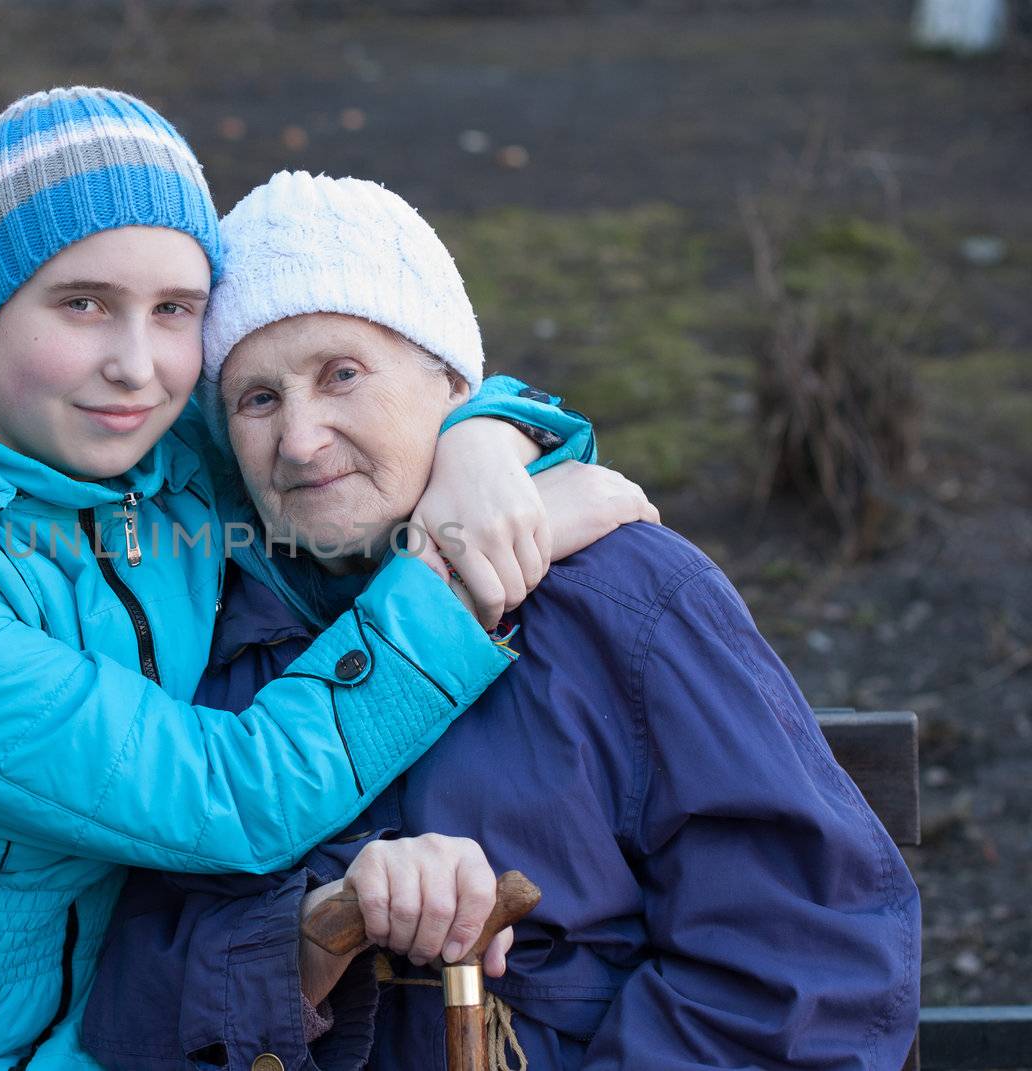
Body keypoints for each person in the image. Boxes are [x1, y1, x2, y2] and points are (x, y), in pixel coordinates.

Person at [0, 90, 617, 1071]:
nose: (137, 367)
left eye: (175, 311)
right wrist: (453, 586)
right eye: (83, 304)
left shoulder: (166, 470)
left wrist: (483, 437)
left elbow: (381, 397)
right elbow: (223, 798)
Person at [80, 172, 921, 1071]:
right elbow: (121, 1000)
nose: (300, 438)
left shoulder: (624, 599)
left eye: (343, 374)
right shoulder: (197, 648)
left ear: (449, 382)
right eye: (257, 398)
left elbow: (802, 962)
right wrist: (308, 931)